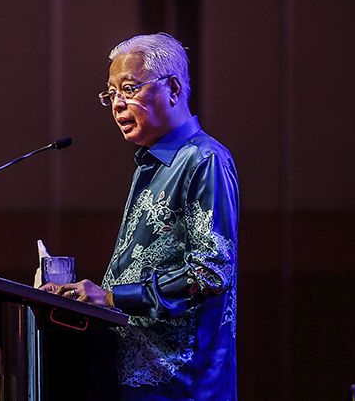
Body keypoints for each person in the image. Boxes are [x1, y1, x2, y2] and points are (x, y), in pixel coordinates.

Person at [42, 32, 239, 401]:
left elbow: (211, 272)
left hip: (181, 382)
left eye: (129, 88)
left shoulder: (203, 160)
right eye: (111, 94)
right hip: (134, 377)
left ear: (173, 89)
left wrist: (114, 298)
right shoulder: (151, 165)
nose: (117, 104)